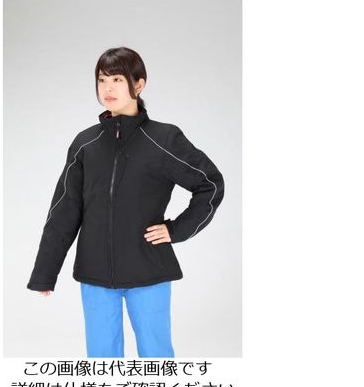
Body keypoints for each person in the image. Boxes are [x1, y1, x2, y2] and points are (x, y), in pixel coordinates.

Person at [27, 46, 225, 358]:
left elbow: (210, 184)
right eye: (102, 80)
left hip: (149, 271)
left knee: (156, 357)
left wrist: (177, 229)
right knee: (101, 358)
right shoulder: (86, 144)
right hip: (95, 273)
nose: (108, 88)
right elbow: (64, 210)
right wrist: (45, 272)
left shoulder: (163, 139)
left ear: (139, 84)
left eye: (117, 79)